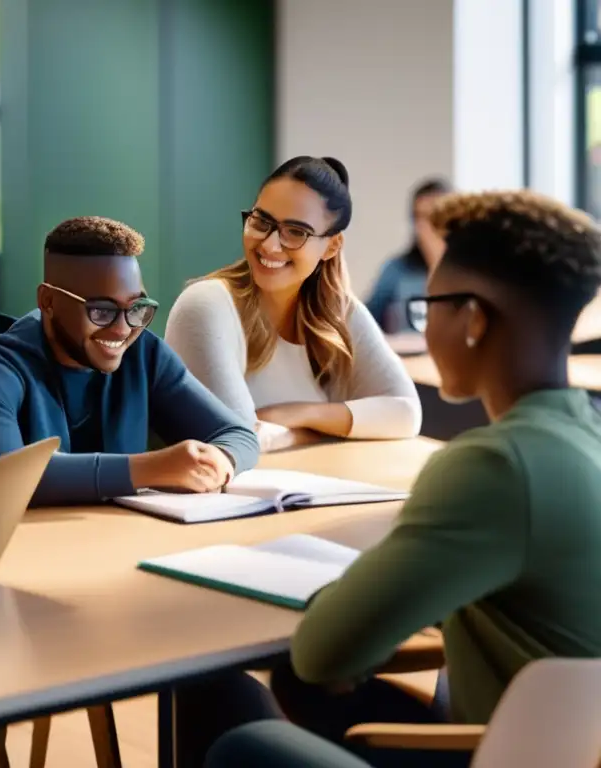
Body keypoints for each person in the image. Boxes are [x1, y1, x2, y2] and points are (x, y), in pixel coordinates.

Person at [175, 190, 601, 768]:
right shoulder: (586, 436)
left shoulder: (495, 465)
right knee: (277, 692)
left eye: (429, 309)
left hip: (501, 753)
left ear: (472, 318)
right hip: (564, 745)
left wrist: (353, 594)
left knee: (238, 734)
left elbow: (324, 652)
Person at [0, 216, 259, 505]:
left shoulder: (142, 353)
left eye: (135, 308)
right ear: (48, 301)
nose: (122, 328)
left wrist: (220, 459)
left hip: (101, 544)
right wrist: (153, 468)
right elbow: (1, 479)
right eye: (101, 310)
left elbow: (238, 434)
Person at [164, 156, 421, 453]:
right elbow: (236, 440)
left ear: (332, 246)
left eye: (296, 232)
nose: (270, 245)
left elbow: (406, 413)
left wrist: (294, 415)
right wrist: (326, 431)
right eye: (262, 222)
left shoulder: (339, 312)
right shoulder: (205, 305)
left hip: (318, 490)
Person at [366, 178, 452, 332]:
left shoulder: (469, 272)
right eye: (420, 217)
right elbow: (366, 323)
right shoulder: (397, 269)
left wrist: (438, 262)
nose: (426, 227)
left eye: (434, 217)